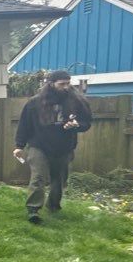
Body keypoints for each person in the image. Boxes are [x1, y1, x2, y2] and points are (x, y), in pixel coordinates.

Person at [13, 70, 92, 223]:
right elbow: (24, 125)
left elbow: (86, 123)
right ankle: (33, 210)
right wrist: (19, 146)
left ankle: (53, 206)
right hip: (39, 146)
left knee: (59, 180)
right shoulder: (35, 103)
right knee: (38, 178)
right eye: (62, 84)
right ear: (51, 84)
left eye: (68, 83)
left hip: (64, 147)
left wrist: (77, 125)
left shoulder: (77, 101)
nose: (66, 87)